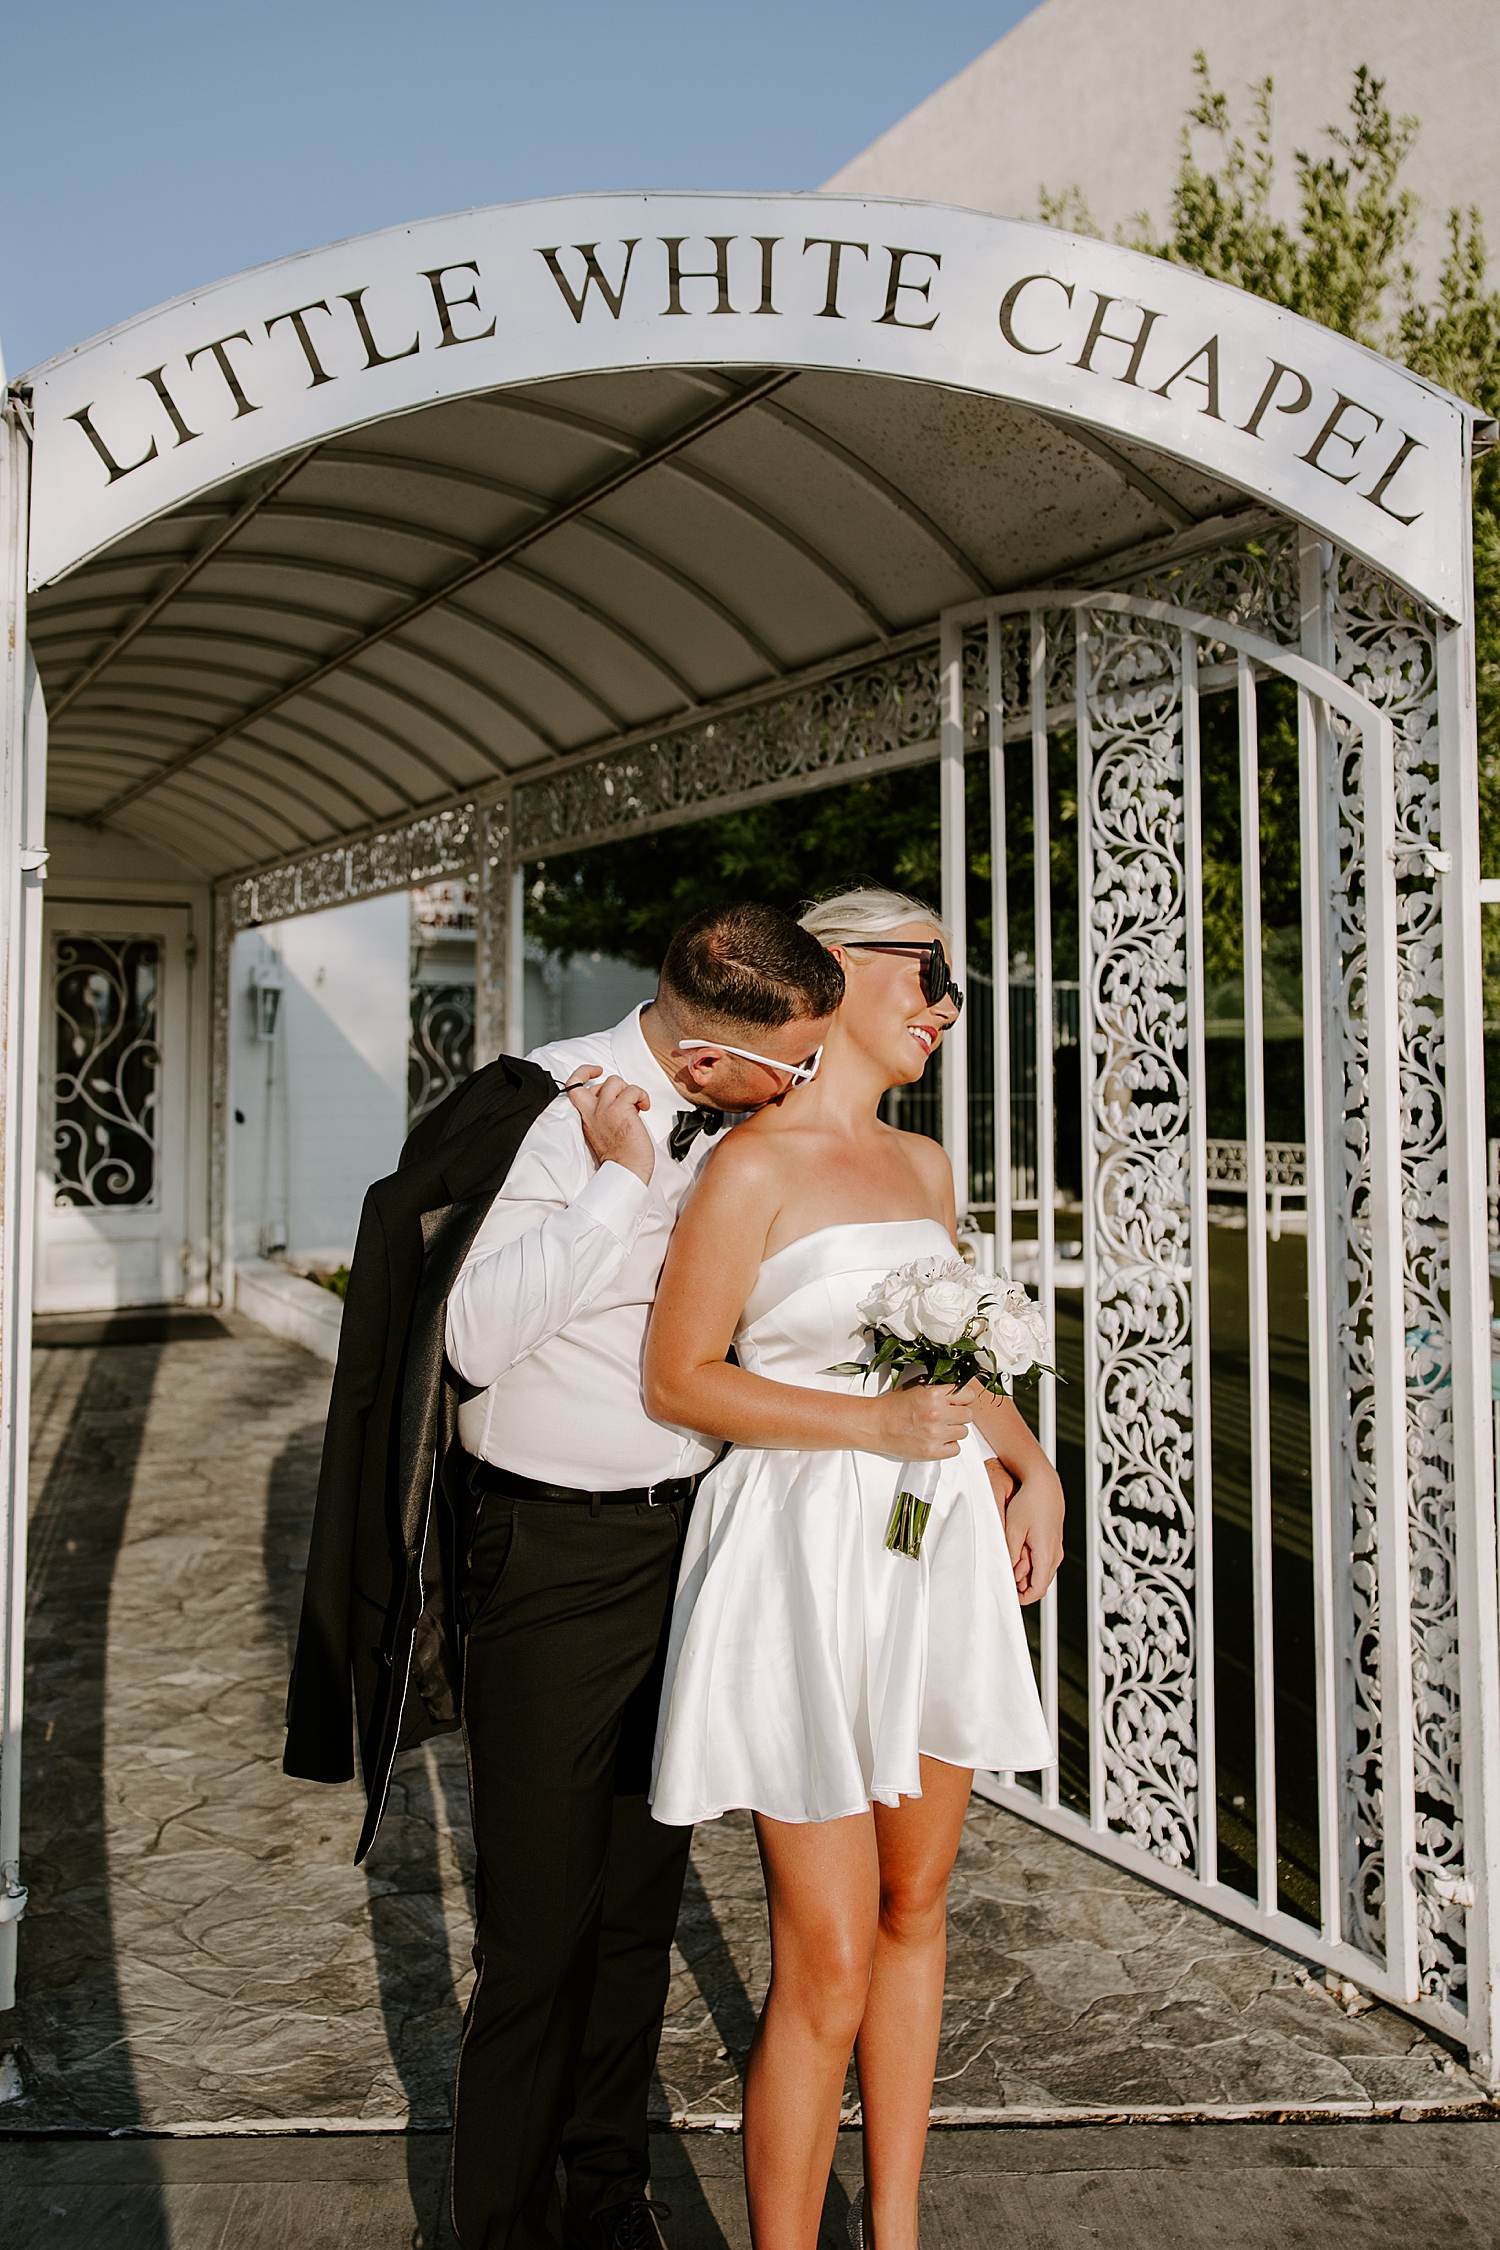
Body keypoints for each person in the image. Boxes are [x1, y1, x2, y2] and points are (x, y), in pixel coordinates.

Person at [644, 888, 1064, 2250]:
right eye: (928, 973)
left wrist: (1033, 1462)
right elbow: (681, 1375)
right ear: (841, 973)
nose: (945, 1004)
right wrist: (869, 1425)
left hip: (923, 1556)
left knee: (913, 1902)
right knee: (822, 1950)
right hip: (803, 1561)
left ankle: (894, 2234)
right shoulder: (751, 1167)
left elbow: (948, 1359)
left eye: (954, 981)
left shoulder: (928, 1167)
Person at [439, 902, 843, 2250]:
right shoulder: (552, 1104)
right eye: (793, 1064)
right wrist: (619, 1178)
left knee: (634, 1914)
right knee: (539, 1935)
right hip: (548, 1553)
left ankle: (604, 2205)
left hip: (686, 1547)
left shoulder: (746, 1137)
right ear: (719, 1058)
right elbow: (476, 1337)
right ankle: (495, 2225)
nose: (805, 1084)